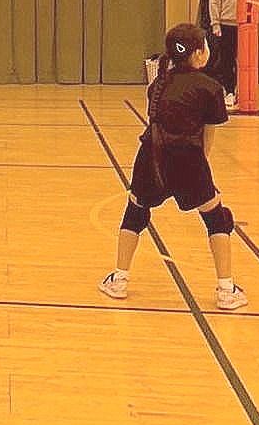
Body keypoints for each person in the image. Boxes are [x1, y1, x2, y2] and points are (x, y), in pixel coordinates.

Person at [99, 23, 248, 310]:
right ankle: (226, 289)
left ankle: (119, 280)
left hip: (150, 157)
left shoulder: (158, 85)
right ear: (198, 53)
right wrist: (200, 173)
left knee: (135, 213)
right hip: (188, 159)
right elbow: (207, 138)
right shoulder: (211, 88)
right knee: (217, 219)